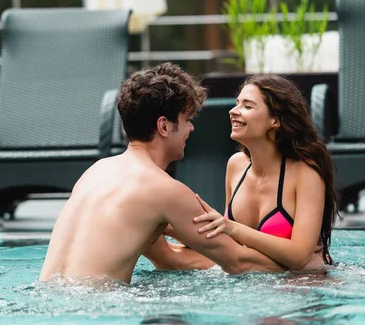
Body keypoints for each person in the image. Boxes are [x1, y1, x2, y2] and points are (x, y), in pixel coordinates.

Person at [39, 63, 283, 285]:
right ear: (164, 126)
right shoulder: (165, 190)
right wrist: (308, 268)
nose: (191, 128)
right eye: (187, 119)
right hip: (100, 317)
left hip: (47, 303)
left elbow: (169, 259)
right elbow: (238, 262)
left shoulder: (95, 172)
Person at [192, 74, 338, 271]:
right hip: (252, 285)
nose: (233, 111)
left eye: (247, 106)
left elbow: (300, 256)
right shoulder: (236, 166)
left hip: (302, 288)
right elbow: (231, 244)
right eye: (237, 104)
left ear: (275, 120)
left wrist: (232, 227)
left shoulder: (305, 172)